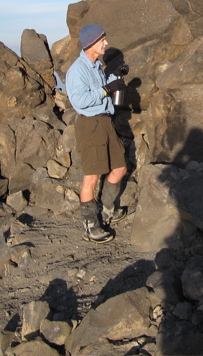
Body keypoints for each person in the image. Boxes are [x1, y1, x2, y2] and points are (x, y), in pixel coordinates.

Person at [65, 24, 128, 243]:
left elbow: (102, 90)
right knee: (91, 177)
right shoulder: (77, 70)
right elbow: (80, 101)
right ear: (91, 43)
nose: (106, 43)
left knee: (120, 168)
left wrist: (115, 81)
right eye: (103, 40)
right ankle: (90, 226)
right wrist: (105, 90)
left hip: (105, 122)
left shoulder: (95, 67)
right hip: (90, 126)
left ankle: (108, 211)